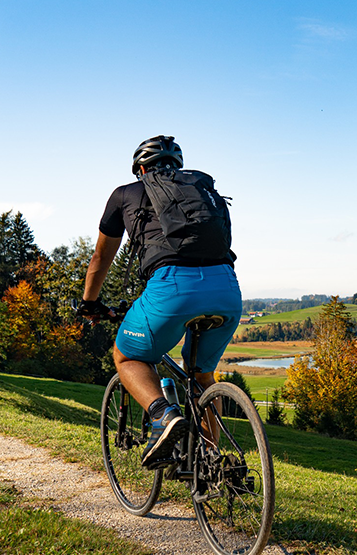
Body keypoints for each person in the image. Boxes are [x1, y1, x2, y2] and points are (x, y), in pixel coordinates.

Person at [79, 135, 242, 469]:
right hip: (227, 287)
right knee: (201, 376)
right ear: (177, 167)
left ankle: (162, 415)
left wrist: (89, 302)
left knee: (127, 356)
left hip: (171, 289)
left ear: (141, 168)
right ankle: (208, 460)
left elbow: (100, 258)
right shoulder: (202, 190)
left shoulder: (125, 194)